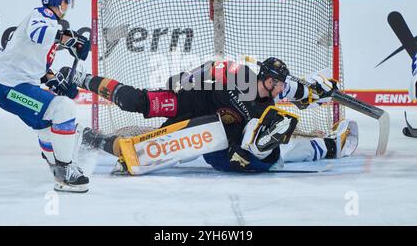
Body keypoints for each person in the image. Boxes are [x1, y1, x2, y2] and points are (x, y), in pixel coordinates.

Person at [59, 57, 358, 174]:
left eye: (281, 84)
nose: (278, 88)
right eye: (274, 82)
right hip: (188, 101)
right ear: (263, 76)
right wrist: (183, 77)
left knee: (140, 152)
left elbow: (302, 92)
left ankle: (92, 138)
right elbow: (213, 66)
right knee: (135, 100)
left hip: (207, 132)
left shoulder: (274, 96)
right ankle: (83, 78)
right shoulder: (241, 75)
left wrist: (321, 91)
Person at [0, 0, 91, 192]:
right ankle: (65, 171)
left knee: (47, 128)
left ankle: (57, 166)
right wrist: (69, 39)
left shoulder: (49, 22)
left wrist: (54, 81)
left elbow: (38, 66)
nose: (68, 5)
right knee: (63, 109)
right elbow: (38, 33)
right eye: (66, 1)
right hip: (10, 89)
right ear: (58, 1)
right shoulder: (42, 15)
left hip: (12, 87)